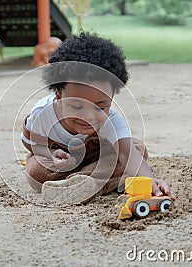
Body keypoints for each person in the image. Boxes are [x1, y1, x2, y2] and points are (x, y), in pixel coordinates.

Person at [22, 31, 176, 204]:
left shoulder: (112, 120)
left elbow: (126, 153)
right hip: (61, 165)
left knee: (136, 148)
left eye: (100, 107)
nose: (88, 117)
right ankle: (109, 181)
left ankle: (81, 184)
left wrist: (149, 181)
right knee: (35, 170)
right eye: (77, 106)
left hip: (97, 158)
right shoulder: (42, 114)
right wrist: (50, 153)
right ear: (58, 95)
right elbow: (30, 142)